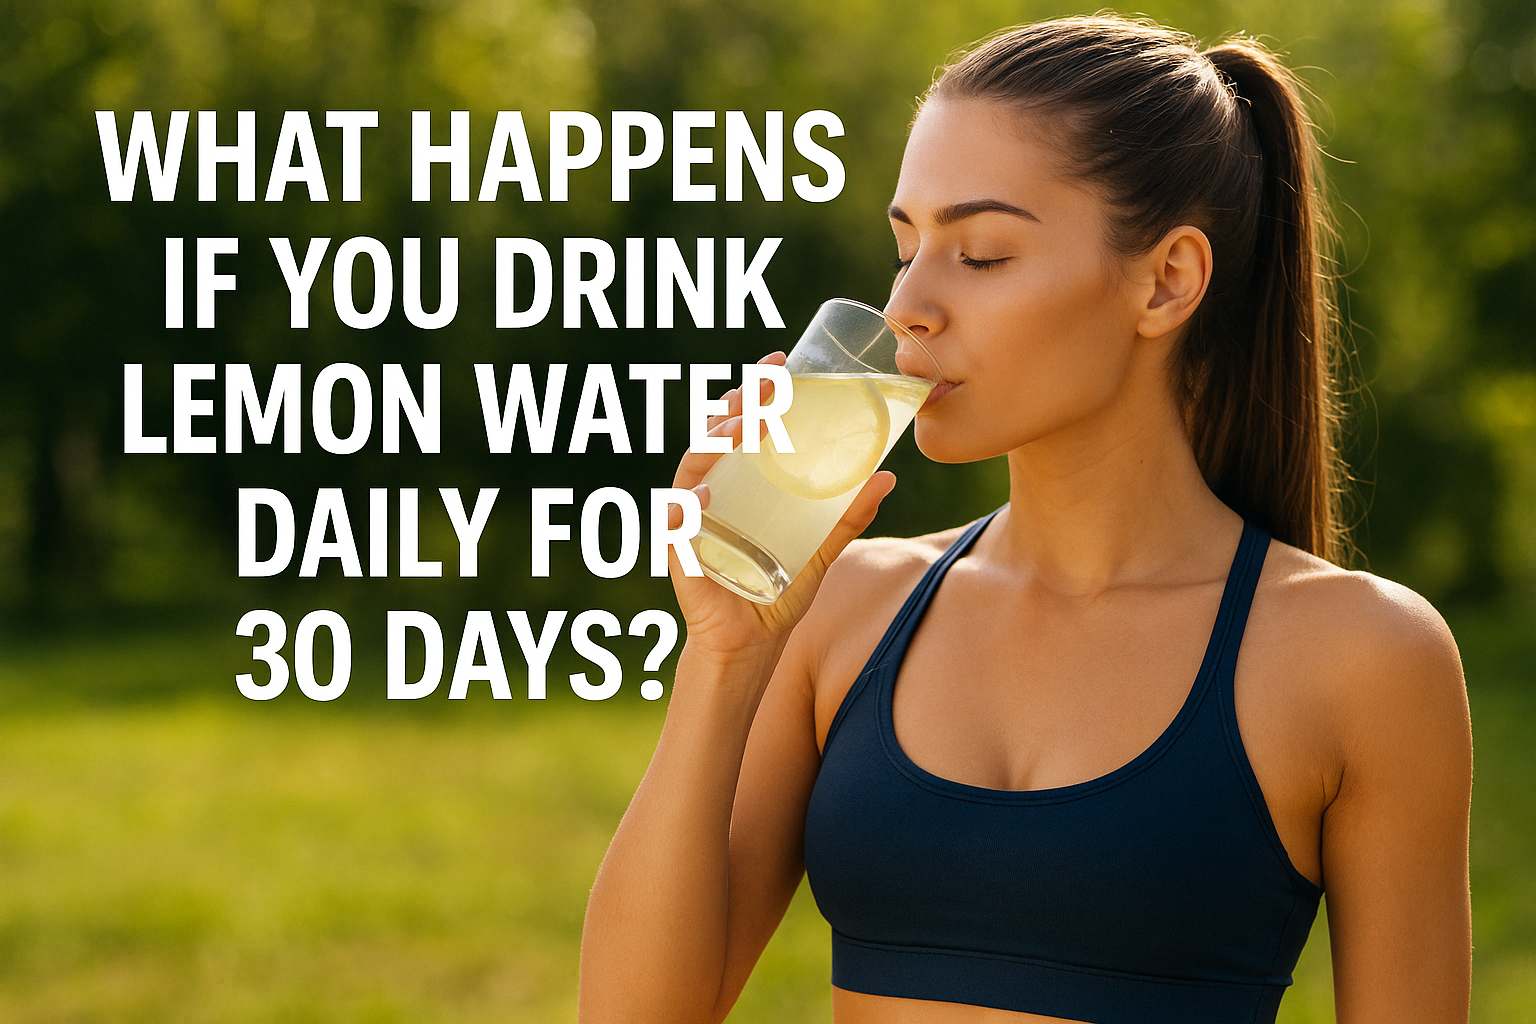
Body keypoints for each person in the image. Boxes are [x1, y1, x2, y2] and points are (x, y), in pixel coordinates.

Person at [578, 14, 1473, 1024]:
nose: (908, 306)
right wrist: (724, 656)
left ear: (1168, 279)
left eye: (982, 254)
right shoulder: (845, 608)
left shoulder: (1361, 658)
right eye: (906, 248)